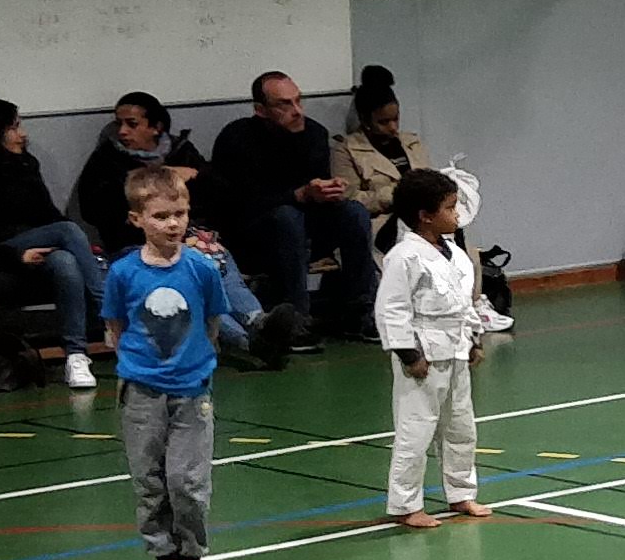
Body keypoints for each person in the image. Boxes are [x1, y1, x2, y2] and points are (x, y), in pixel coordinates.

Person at [100, 174, 233, 560]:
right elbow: (117, 326)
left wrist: (195, 362)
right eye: (160, 216)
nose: (173, 224)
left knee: (187, 478)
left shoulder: (202, 269)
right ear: (137, 219)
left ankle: (193, 552)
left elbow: (211, 323)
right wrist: (139, 366)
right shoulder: (123, 273)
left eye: (180, 214)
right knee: (149, 477)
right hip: (142, 390)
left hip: (192, 389)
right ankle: (164, 555)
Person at [0, 98, 108, 389]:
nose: (23, 134)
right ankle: (108, 312)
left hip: (34, 260)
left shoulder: (24, 163)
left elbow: (48, 216)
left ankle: (76, 356)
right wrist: (16, 256)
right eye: (14, 127)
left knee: (64, 259)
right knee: (67, 231)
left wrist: (18, 167)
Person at [205, 71, 374, 347]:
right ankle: (296, 320)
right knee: (287, 216)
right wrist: (299, 195)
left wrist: (328, 192)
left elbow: (315, 193)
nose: (297, 111)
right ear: (260, 110)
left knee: (353, 212)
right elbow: (237, 204)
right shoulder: (237, 138)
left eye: (298, 101)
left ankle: (360, 312)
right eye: (284, 104)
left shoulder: (315, 133)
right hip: (253, 235)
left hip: (307, 227)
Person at [373, 165, 486, 526]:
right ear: (425, 216)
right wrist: (409, 354)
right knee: (416, 431)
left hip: (456, 349)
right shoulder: (404, 256)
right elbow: (391, 310)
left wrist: (475, 339)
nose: (457, 215)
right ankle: (407, 505)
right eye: (450, 208)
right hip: (423, 354)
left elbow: (464, 303)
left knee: (461, 428)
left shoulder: (455, 253)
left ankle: (461, 493)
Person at [74, 95, 215, 261]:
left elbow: (216, 194)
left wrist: (198, 175)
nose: (122, 131)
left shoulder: (182, 151)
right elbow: (91, 210)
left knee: (217, 262)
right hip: (134, 243)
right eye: (119, 124)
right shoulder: (106, 158)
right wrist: (147, 182)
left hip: (189, 237)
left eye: (132, 124)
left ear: (156, 127)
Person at [336, 77, 430, 222]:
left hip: (425, 215)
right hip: (385, 220)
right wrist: (394, 194)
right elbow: (348, 201)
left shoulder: (411, 142)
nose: (393, 127)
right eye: (383, 122)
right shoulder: (346, 150)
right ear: (365, 121)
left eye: (396, 119)